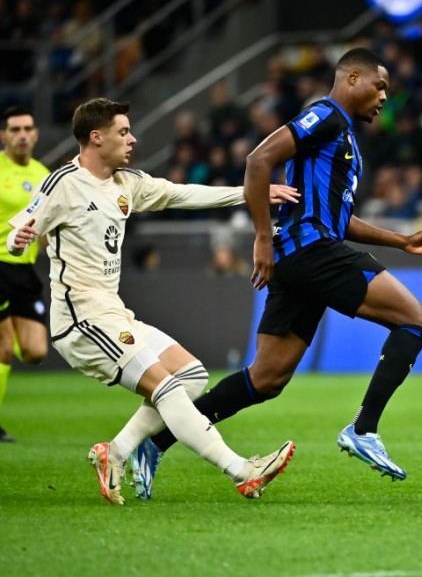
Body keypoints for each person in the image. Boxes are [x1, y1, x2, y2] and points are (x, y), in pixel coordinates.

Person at [130, 48, 422, 498]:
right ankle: (364, 428)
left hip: (303, 257)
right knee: (415, 320)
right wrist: (261, 236)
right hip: (312, 251)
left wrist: (402, 241)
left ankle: (154, 444)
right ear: (352, 78)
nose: (383, 99)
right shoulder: (326, 115)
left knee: (266, 379)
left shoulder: (345, 137)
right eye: (380, 87)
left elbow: (339, 217)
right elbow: (259, 160)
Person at [5, 98, 298, 504]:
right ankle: (242, 471)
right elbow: (19, 230)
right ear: (96, 137)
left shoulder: (127, 183)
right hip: (81, 319)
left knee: (191, 375)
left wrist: (251, 192)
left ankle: (117, 452)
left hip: (113, 311)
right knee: (165, 388)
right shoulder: (63, 184)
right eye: (123, 132)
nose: (132, 138)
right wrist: (17, 242)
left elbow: (183, 194)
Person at [0, 106, 50, 442]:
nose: (21, 134)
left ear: (35, 134)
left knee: (35, 352)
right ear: (3, 135)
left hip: (26, 270)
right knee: (3, 349)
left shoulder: (43, 174)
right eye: (14, 129)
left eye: (27, 128)